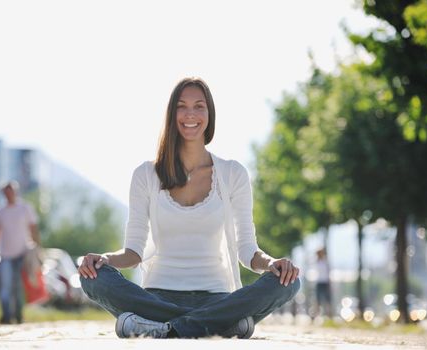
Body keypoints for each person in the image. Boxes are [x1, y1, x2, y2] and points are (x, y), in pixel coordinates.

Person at [78, 77, 301, 339]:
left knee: (290, 281)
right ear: (172, 114)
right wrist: (104, 259)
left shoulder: (232, 174)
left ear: (210, 114)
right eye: (182, 106)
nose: (190, 114)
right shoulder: (145, 174)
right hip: (157, 297)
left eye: (199, 106)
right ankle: (219, 326)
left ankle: (163, 327)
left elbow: (247, 251)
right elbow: (134, 252)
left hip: (217, 299)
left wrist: (273, 263)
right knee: (92, 275)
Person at [0, 181, 40, 324]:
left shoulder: (25, 208)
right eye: (6, 192)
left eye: (11, 191)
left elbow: (33, 228)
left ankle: (18, 316)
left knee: (18, 287)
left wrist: (37, 248)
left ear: (15, 192)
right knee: (5, 286)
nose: (9, 194)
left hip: (22, 254)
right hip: (4, 255)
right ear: (3, 194)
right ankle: (6, 316)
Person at [315, 248, 332, 318]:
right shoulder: (317, 262)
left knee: (327, 300)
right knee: (318, 300)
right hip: (319, 282)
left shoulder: (325, 262)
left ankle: (329, 315)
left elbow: (328, 273)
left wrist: (329, 283)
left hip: (325, 282)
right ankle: (317, 315)